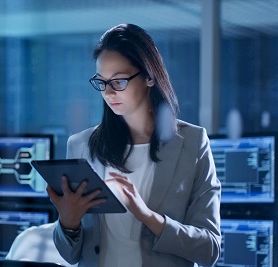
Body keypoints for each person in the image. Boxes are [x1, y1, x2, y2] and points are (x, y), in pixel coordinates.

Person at [46, 23, 221, 267]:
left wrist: (148, 217)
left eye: (118, 81)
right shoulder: (81, 145)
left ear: (149, 76)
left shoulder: (192, 143)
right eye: (101, 82)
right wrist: (68, 223)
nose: (108, 93)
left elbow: (210, 249)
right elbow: (70, 255)